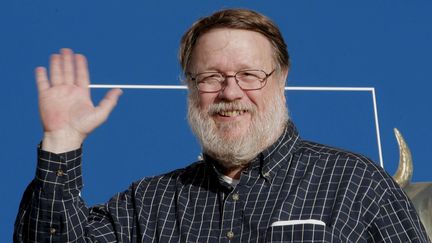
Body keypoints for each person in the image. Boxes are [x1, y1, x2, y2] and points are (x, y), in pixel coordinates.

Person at [14, 9, 430, 243]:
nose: (230, 92)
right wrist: (61, 141)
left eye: (249, 74)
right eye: (211, 77)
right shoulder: (148, 206)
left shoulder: (358, 184)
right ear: (191, 88)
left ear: (281, 80)